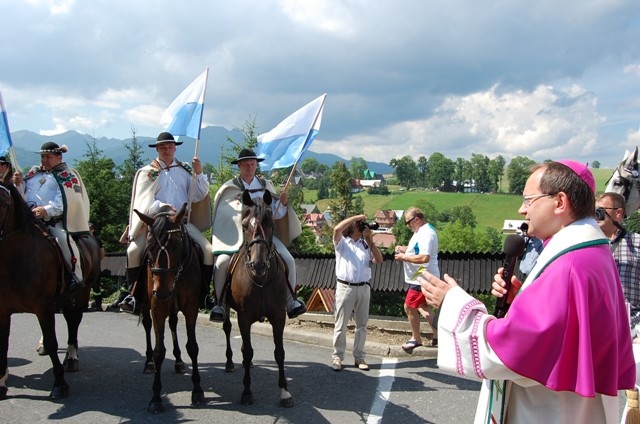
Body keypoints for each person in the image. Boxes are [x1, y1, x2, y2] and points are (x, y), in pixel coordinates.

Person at [419, 160, 635, 423]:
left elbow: (511, 350)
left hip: (549, 411)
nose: (521, 210)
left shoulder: (570, 263)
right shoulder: (590, 251)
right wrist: (518, 301)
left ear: (559, 202)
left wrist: (452, 301)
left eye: (528, 200)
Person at [120, 131, 213, 313]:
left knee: (208, 250)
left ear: (175, 148)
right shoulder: (148, 173)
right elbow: (143, 203)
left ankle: (204, 295)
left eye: (170, 146)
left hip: (181, 223)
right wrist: (162, 206)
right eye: (162, 147)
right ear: (157, 149)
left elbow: (200, 194)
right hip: (156, 225)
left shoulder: (185, 170)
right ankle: (133, 296)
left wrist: (199, 172)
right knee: (133, 251)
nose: (167, 150)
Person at [209, 148, 306, 322]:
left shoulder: (266, 186)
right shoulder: (229, 189)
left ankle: (291, 301)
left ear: (256, 165)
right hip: (235, 237)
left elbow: (276, 215)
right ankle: (220, 304)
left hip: (263, 237)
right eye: (245, 164)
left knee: (289, 260)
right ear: (239, 166)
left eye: (252, 164)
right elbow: (224, 215)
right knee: (222, 263)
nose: (249, 167)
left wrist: (282, 204)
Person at [13, 142, 90, 294]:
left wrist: (46, 210)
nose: (44, 160)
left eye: (48, 157)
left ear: (59, 157)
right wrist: (18, 185)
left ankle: (75, 276)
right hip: (28, 221)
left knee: (64, 239)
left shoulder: (67, 175)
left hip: (53, 222)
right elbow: (23, 196)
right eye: (43, 156)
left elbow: (68, 201)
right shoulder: (33, 173)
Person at [331, 214, 383, 372]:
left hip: (364, 287)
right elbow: (336, 229)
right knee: (341, 324)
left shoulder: (365, 244)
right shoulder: (342, 243)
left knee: (361, 325)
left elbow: (379, 260)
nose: (362, 226)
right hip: (345, 287)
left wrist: (370, 241)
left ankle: (359, 356)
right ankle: (337, 357)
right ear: (352, 227)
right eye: (359, 225)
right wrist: (356, 217)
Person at [394, 207, 439, 353]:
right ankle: (439, 335)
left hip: (421, 276)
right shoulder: (422, 231)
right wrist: (404, 249)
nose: (408, 226)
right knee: (423, 307)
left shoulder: (426, 234)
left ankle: (416, 338)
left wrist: (404, 257)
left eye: (408, 223)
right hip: (422, 276)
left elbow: (424, 257)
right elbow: (417, 249)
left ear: (417, 219)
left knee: (409, 307)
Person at [596, 192, 640, 333]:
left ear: (619, 213)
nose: (596, 215)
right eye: (594, 211)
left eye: (601, 210)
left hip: (632, 327)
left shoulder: (637, 243)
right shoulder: (589, 246)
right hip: (599, 325)